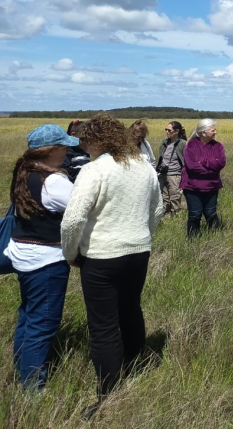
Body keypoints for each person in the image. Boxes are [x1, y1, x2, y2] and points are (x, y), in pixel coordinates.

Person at [59, 115, 162, 416]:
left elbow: (74, 218)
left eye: (85, 141)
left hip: (101, 257)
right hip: (138, 252)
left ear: (96, 141)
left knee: (103, 326)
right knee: (131, 309)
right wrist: (142, 237)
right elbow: (156, 210)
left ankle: (108, 394)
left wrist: (70, 253)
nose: (83, 147)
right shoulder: (143, 165)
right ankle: (135, 365)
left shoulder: (95, 169)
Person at [3, 124, 78, 390]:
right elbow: (81, 208)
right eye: (64, 146)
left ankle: (21, 368)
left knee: (28, 315)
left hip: (23, 254)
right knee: (43, 324)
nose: (68, 150)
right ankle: (33, 387)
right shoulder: (54, 181)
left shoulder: (25, 171)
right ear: (52, 150)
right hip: (46, 259)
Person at [181, 119, 226, 238]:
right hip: (193, 187)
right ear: (203, 132)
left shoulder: (218, 146)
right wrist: (212, 170)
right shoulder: (191, 145)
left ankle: (216, 238)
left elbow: (221, 163)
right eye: (213, 130)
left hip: (212, 187)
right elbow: (192, 166)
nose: (215, 132)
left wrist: (204, 162)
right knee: (195, 214)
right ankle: (193, 240)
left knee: (211, 213)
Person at [156, 121, 187, 216]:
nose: (167, 132)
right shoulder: (164, 143)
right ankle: (166, 217)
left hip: (175, 174)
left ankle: (177, 217)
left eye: (169, 130)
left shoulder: (183, 144)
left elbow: (186, 160)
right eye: (166, 129)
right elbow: (161, 158)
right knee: (164, 198)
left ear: (177, 131)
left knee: (175, 197)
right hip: (162, 174)